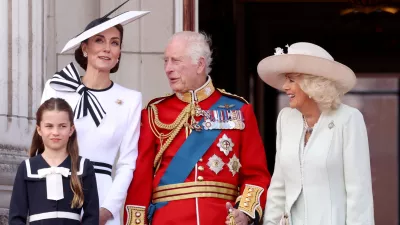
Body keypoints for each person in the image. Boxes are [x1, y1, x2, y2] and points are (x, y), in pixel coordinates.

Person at [123, 31, 271, 225]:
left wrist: (245, 212)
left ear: (200, 64)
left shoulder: (239, 110)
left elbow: (256, 174)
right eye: (166, 61)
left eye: (176, 61)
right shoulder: (154, 113)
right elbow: (139, 183)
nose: (168, 69)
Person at [40, 1, 149, 224]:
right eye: (99, 40)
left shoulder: (130, 99)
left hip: (102, 197)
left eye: (115, 43)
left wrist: (107, 210)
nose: (107, 48)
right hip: (56, 191)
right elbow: (40, 147)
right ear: (84, 47)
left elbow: (128, 162)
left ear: (119, 52)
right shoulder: (57, 87)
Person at [257, 42, 375, 225]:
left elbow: (359, 194)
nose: (285, 87)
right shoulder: (286, 119)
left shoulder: (348, 119)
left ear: (312, 84)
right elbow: (279, 186)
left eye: (292, 80)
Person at [8, 98, 99, 225]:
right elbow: (16, 218)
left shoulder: (83, 167)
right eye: (49, 126)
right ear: (39, 130)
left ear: (71, 130)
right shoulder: (27, 168)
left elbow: (92, 217)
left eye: (62, 126)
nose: (55, 132)